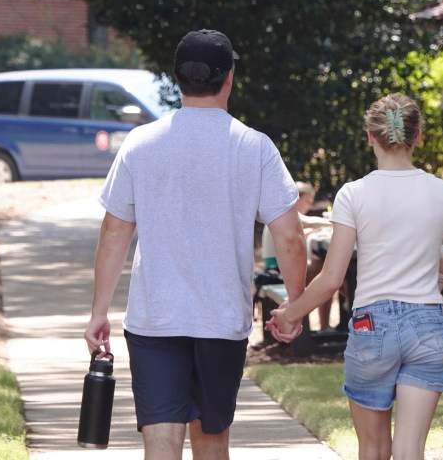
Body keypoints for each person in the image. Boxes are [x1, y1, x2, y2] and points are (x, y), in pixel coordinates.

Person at [83, 29, 307, 460]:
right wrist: (292, 305)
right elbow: (292, 239)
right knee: (211, 441)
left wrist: (99, 312)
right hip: (221, 320)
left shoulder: (140, 144)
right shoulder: (254, 147)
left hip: (154, 320)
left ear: (176, 78)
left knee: (160, 440)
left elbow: (114, 232)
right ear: (229, 78)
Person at [268, 92, 443, 460]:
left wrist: (290, 313)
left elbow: (332, 278)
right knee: (410, 448)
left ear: (370, 136)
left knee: (372, 448)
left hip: (372, 326)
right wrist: (430, 252)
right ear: (418, 137)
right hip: (427, 324)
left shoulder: (354, 194)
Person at [260, 181, 334, 329]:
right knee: (326, 272)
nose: (311, 206)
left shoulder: (280, 215)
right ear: (297, 198)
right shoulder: (285, 213)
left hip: (276, 267)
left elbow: (302, 232)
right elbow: (311, 223)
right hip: (277, 270)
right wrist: (336, 222)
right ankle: (327, 324)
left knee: (327, 271)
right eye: (309, 201)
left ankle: (329, 323)